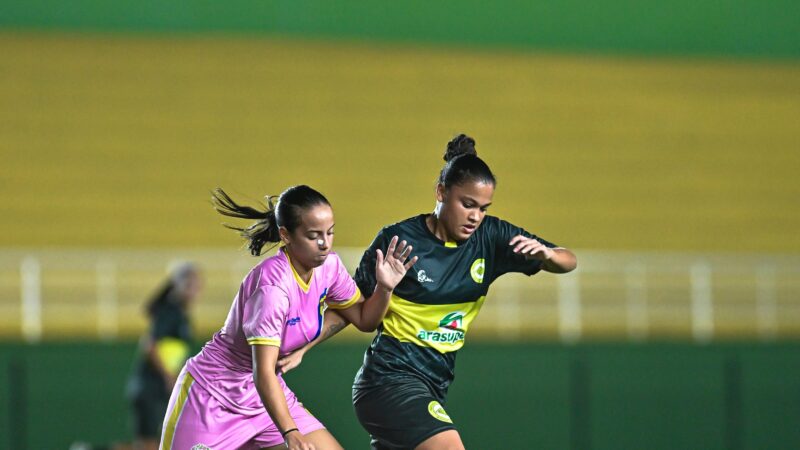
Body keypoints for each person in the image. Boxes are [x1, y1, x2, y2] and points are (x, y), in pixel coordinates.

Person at [282, 134, 577, 450]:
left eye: (483, 208)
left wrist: (547, 256)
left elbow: (568, 261)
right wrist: (303, 346)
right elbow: (351, 308)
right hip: (388, 382)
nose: (475, 216)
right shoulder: (399, 240)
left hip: (433, 386)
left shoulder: (492, 238)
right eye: (467, 204)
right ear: (441, 192)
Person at [159, 186, 417, 450]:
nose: (325, 244)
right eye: (313, 235)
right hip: (213, 396)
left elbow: (365, 320)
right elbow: (263, 372)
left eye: (330, 233)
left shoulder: (329, 267)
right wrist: (290, 431)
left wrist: (385, 288)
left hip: (262, 398)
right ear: (286, 235)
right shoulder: (272, 289)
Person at [126, 261, 203, 450]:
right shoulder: (171, 311)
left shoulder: (179, 313)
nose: (195, 291)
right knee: (151, 444)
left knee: (152, 443)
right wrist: (169, 377)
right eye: (191, 286)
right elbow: (149, 345)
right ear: (179, 286)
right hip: (149, 387)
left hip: (156, 388)